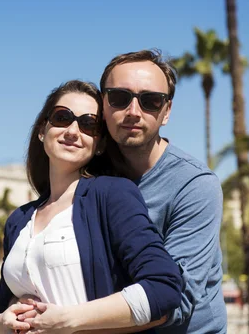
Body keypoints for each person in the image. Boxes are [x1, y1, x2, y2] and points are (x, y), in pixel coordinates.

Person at [0, 80, 184, 334]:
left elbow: (164, 287)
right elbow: (1, 312)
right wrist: (2, 324)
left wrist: (68, 321)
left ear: (100, 143)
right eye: (62, 118)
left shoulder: (112, 195)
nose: (72, 131)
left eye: (88, 124)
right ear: (42, 129)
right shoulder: (19, 219)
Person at [99, 49, 226, 333]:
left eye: (150, 101)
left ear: (166, 112)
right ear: (103, 104)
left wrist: (71, 323)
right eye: (119, 98)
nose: (133, 112)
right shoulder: (88, 175)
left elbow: (173, 302)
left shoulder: (195, 185)